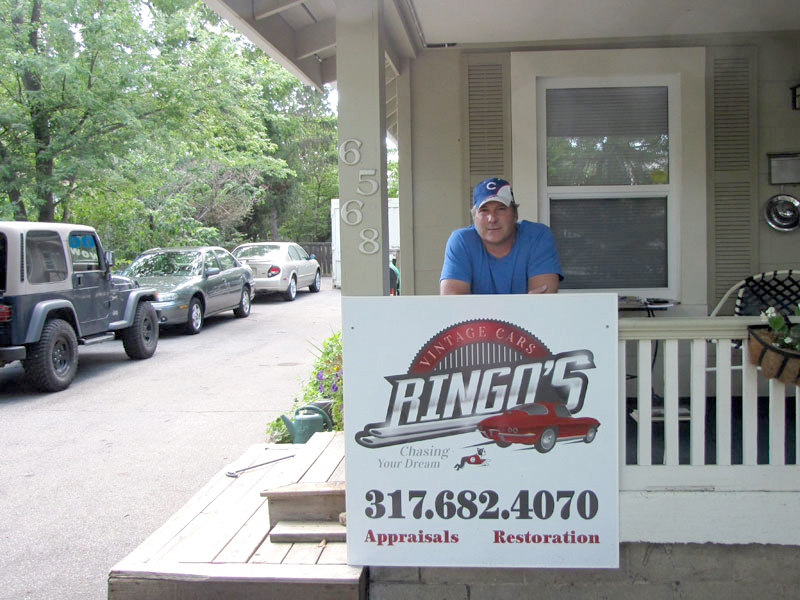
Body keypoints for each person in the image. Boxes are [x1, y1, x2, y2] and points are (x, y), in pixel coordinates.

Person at [440, 177, 562, 295]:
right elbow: (453, 304)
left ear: (515, 214)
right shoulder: (461, 241)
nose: (492, 219)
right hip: (523, 315)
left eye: (501, 209)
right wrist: (523, 305)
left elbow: (543, 302)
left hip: (519, 317)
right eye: (484, 210)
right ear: (474, 217)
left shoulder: (537, 236)